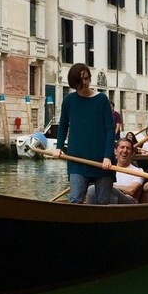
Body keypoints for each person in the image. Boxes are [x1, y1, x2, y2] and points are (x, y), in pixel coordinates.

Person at [51, 63, 115, 204]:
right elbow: (63, 126)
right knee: (75, 200)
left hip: (101, 161)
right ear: (74, 82)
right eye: (81, 80)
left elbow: (110, 129)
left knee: (103, 202)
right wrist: (59, 147)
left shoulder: (102, 100)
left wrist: (108, 156)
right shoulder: (68, 101)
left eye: (87, 78)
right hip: (77, 160)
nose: (85, 83)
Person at [86, 138, 145, 204]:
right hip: (109, 198)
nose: (125, 150)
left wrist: (107, 186)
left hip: (129, 204)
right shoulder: (108, 168)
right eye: (122, 147)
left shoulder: (138, 171)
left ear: (132, 153)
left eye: (128, 148)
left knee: (104, 189)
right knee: (92, 189)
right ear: (115, 151)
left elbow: (131, 190)